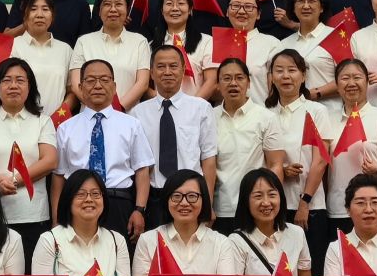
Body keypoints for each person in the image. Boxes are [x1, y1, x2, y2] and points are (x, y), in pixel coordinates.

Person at [0, 58, 60, 259]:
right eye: (6, 80)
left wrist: (13, 180)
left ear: (30, 87)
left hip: (34, 215)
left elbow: (49, 161)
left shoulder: (43, 122)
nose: (13, 85)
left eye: (20, 80)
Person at [52, 59, 153, 236]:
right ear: (80, 87)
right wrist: (56, 220)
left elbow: (142, 169)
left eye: (105, 80)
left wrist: (139, 209)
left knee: (118, 252)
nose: (98, 86)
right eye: (91, 80)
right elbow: (58, 177)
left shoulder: (131, 125)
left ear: (114, 87)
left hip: (118, 202)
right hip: (78, 202)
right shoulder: (65, 128)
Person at [132, 43, 219, 226]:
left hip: (191, 196)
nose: (167, 72)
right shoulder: (138, 113)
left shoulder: (201, 108)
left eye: (173, 66)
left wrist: (208, 204)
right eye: (161, 66)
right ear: (152, 73)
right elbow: (140, 165)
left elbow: (209, 159)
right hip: (155, 196)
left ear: (182, 70)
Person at [263, 48, 332, 271]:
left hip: (310, 205)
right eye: (279, 70)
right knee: (280, 269)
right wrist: (281, 170)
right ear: (271, 77)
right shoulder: (265, 113)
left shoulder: (316, 111)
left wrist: (305, 203)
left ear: (303, 76)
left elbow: (320, 161)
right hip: (273, 207)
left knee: (312, 269)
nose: (285, 76)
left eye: (292, 70)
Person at [321, 60, 377, 231]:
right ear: (337, 85)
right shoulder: (327, 119)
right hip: (339, 208)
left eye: (357, 77)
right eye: (345, 78)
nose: (351, 83)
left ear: (367, 82)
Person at [210, 59, 288, 226]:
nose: (233, 83)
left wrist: (270, 203)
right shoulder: (209, 117)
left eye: (239, 78)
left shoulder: (266, 118)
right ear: (217, 84)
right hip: (220, 207)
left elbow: (275, 164)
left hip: (256, 209)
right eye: (226, 78)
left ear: (249, 82)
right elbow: (207, 165)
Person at [194, 0, 276, 105]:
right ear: (227, 11)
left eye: (248, 7)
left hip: (260, 113)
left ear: (258, 14)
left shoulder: (271, 44)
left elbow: (276, 91)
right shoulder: (212, 43)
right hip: (222, 114)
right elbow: (212, 89)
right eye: (236, 6)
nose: (241, 11)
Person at [323, 174, 377, 276]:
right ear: (348, 210)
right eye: (360, 203)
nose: (368, 210)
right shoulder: (336, 248)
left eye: (375, 202)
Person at [10, 0, 74, 118]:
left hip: (56, 123)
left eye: (45, 9)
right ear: (25, 15)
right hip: (19, 121)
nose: (40, 15)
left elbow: (72, 91)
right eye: (33, 9)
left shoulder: (65, 50)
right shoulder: (12, 46)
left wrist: (57, 118)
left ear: (53, 16)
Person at [282, 0, 342, 110]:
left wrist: (315, 93)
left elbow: (349, 77)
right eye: (300, 1)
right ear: (293, 7)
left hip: (330, 112)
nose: (306, 6)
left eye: (311, 1)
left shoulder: (336, 37)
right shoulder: (284, 44)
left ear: (322, 7)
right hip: (294, 114)